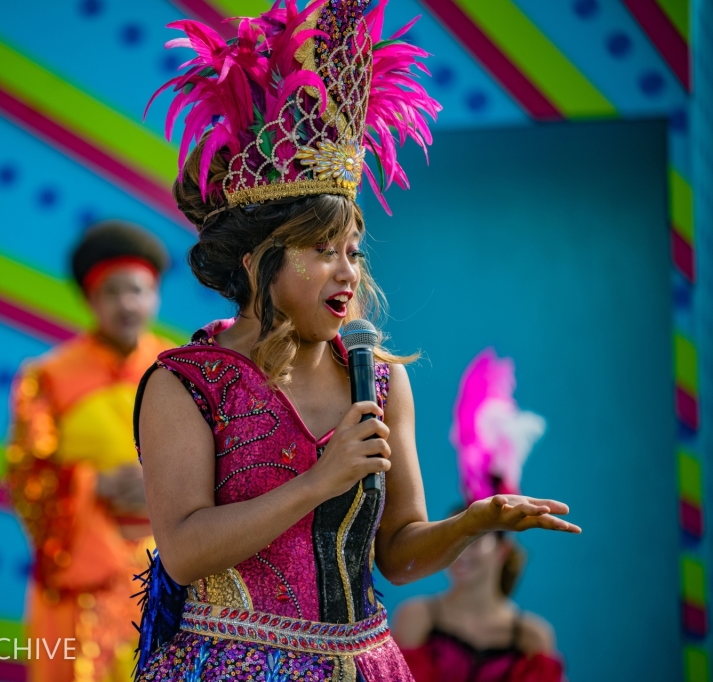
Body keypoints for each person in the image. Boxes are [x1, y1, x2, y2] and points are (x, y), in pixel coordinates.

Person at [132, 1, 580, 680]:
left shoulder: (378, 379)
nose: (347, 270)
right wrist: (319, 481)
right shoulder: (185, 383)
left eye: (354, 250)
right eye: (320, 249)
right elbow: (187, 551)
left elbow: (397, 555)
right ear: (258, 263)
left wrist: (472, 521)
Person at [5, 221, 172, 682]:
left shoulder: (180, 372)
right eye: (112, 292)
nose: (127, 304)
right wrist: (94, 484)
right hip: (82, 579)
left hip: (168, 571)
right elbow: (27, 476)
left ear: (155, 295)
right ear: (91, 300)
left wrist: (159, 488)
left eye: (137, 290)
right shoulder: (48, 377)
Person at [393, 349, 566, 681]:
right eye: (459, 535)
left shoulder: (532, 636)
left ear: (504, 551)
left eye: (475, 539)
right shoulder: (418, 618)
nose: (462, 549)